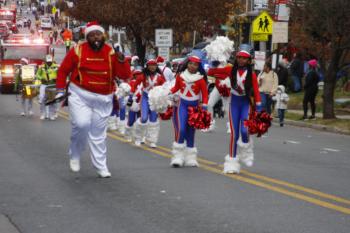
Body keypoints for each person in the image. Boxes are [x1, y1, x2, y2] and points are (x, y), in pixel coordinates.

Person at [56, 22, 131, 178]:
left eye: (98, 34)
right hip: (80, 94)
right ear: (87, 37)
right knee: (82, 124)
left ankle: (101, 166)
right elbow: (63, 71)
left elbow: (124, 75)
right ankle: (75, 154)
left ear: (102, 35)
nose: (96, 37)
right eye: (92, 35)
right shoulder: (77, 50)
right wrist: (60, 90)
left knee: (98, 134)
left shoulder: (111, 52)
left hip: (104, 98)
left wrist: (122, 60)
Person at [207, 47, 262, 174]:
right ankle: (231, 162)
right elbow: (211, 72)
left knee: (244, 130)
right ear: (236, 58)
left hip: (245, 104)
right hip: (234, 104)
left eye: (244, 58)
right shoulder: (229, 69)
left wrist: (259, 108)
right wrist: (215, 61)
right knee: (234, 133)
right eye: (239, 57)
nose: (241, 60)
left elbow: (257, 92)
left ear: (248, 61)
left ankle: (247, 150)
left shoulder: (252, 74)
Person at [168, 56, 208, 167]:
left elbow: (205, 95)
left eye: (195, 64)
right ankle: (178, 157)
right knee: (181, 129)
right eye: (191, 63)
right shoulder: (180, 76)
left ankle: (190, 158)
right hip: (182, 105)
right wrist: (165, 92)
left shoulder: (200, 79)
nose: (192, 66)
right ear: (187, 64)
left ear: (198, 66)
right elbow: (175, 88)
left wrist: (204, 106)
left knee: (191, 132)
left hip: (194, 107)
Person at [128, 59, 166, 148]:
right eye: (150, 65)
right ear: (147, 66)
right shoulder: (142, 76)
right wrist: (130, 97)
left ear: (156, 67)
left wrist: (166, 99)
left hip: (154, 100)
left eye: (154, 65)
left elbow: (165, 88)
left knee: (153, 120)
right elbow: (134, 85)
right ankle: (138, 137)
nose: (152, 67)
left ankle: (152, 140)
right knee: (144, 118)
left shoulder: (160, 77)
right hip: (145, 98)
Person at [36, 55, 59, 120]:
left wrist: (56, 79)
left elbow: (60, 75)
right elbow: (37, 75)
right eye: (48, 62)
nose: (49, 63)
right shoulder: (42, 67)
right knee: (42, 98)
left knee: (52, 100)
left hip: (52, 85)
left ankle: (52, 115)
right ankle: (43, 114)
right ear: (46, 61)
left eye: (50, 61)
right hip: (44, 84)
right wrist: (41, 78)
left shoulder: (56, 66)